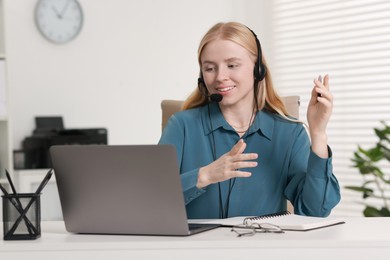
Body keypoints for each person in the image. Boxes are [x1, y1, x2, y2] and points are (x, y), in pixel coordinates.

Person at [159, 22, 340, 219]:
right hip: (194, 249)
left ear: (258, 69)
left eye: (232, 65)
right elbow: (151, 199)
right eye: (210, 68)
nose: (220, 77)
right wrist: (205, 176)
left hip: (262, 248)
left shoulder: (289, 132)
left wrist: (318, 133)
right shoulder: (182, 125)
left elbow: (315, 210)